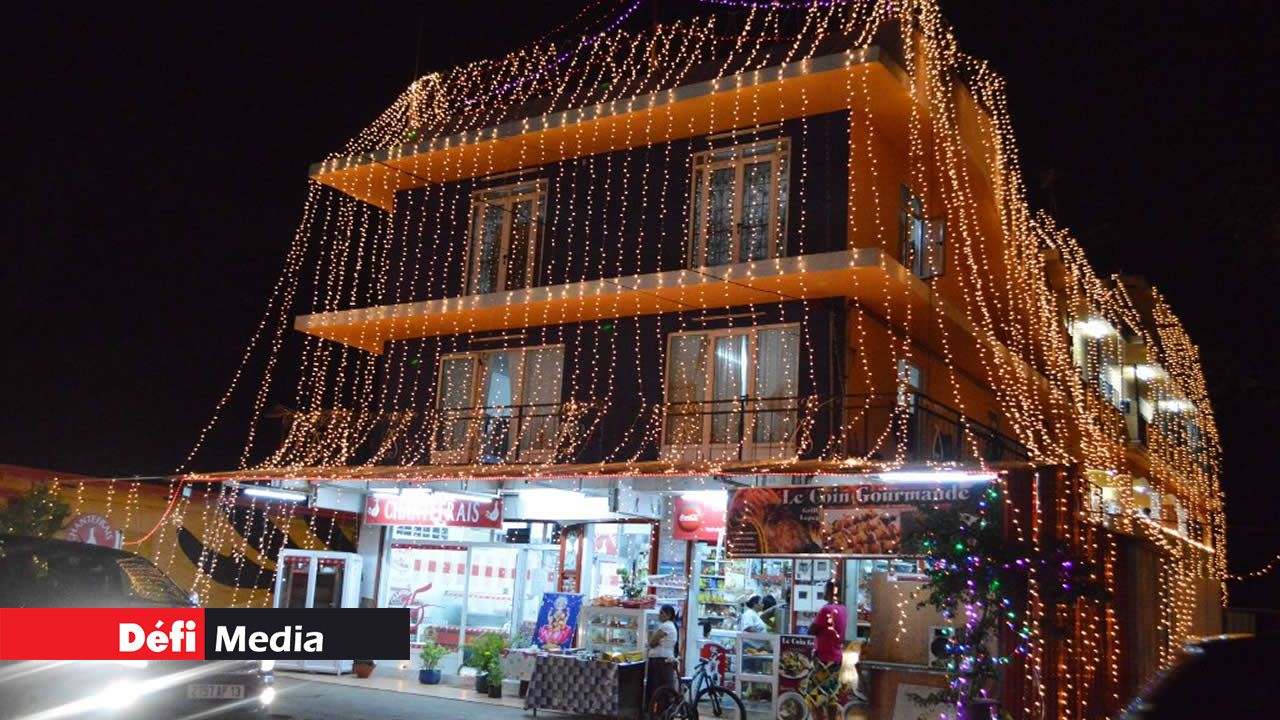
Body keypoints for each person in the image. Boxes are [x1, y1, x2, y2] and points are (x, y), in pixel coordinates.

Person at [807, 581, 847, 720]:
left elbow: (811, 630)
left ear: (830, 592)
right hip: (836, 657)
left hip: (824, 658)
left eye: (825, 590)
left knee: (814, 696)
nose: (823, 593)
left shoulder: (826, 610)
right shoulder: (843, 608)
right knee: (831, 695)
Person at [647, 604, 680, 713]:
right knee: (665, 686)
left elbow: (652, 642)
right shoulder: (671, 626)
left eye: (661, 613)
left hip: (659, 660)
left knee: (657, 687)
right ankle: (664, 711)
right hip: (665, 659)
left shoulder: (666, 626)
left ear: (668, 615)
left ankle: (659, 712)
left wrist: (653, 642)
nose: (659, 615)